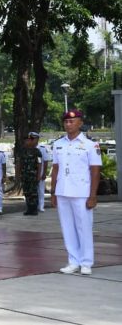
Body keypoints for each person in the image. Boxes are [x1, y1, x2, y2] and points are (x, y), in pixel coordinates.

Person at [51, 109, 101, 275]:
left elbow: (95, 171)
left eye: (72, 121)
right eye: (66, 121)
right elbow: (56, 168)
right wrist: (52, 193)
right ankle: (73, 261)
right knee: (67, 228)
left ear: (80, 123)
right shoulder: (58, 144)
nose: (68, 124)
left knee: (84, 228)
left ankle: (86, 262)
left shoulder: (90, 145)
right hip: (63, 191)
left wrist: (93, 195)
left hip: (81, 192)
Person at [18, 132, 42, 216]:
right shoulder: (23, 151)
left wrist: (38, 176)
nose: (26, 142)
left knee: (33, 193)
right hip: (25, 175)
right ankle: (28, 208)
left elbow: (39, 164)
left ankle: (34, 209)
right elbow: (20, 163)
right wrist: (18, 174)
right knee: (26, 192)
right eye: (25, 140)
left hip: (33, 176)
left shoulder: (37, 152)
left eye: (28, 140)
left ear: (32, 141)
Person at [37, 140, 51, 212]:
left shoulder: (42, 149)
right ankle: (34, 206)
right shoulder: (28, 147)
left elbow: (45, 161)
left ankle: (41, 206)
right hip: (31, 173)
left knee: (40, 190)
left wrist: (44, 173)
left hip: (41, 172)